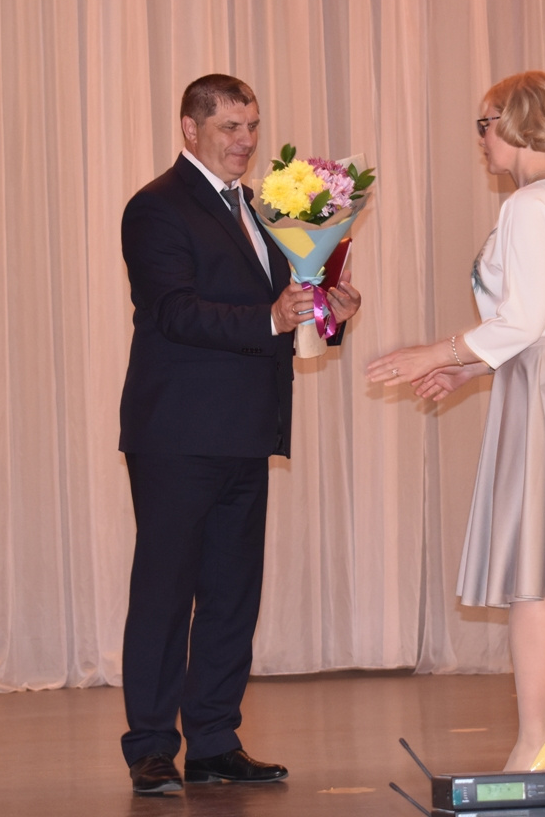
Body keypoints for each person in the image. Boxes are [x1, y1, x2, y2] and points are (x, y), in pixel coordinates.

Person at [367, 71, 545, 773]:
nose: (481, 138)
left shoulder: (531, 205)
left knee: (532, 578)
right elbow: (543, 323)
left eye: (485, 122)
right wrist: (468, 369)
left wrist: (437, 351)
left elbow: (524, 320)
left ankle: (536, 737)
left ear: (517, 121)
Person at [118, 73, 361, 795]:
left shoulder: (258, 208)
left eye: (252, 125)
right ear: (190, 129)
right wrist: (269, 318)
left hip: (247, 429)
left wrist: (330, 313)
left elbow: (284, 309)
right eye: (231, 127)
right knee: (165, 594)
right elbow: (173, 311)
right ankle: (151, 748)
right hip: (177, 433)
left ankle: (215, 741)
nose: (247, 140)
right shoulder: (156, 206)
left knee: (231, 595)